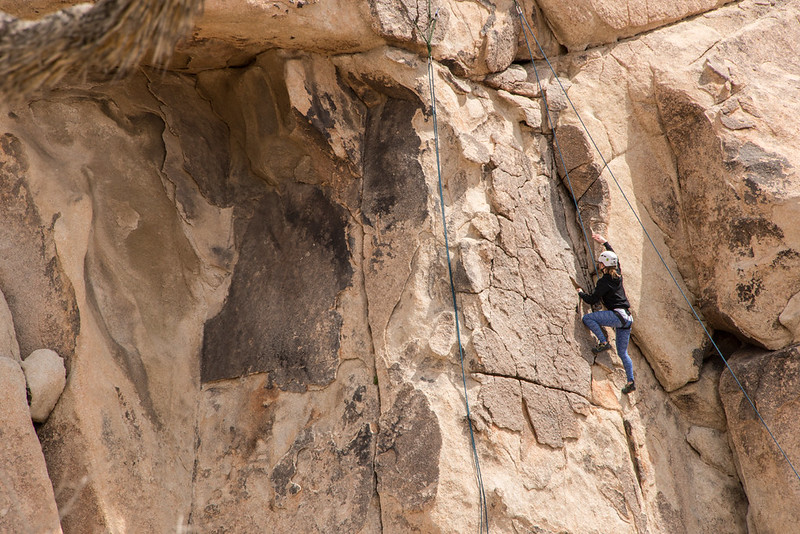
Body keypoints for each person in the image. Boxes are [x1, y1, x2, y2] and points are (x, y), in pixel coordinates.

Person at [577, 233, 636, 394]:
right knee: (623, 353)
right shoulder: (618, 275)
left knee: (588, 318)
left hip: (617, 316)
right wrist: (605, 243)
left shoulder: (604, 282)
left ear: (604, 265)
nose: (599, 265)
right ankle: (630, 381)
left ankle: (603, 342)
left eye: (601, 263)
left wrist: (580, 293)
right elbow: (615, 258)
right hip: (627, 318)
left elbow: (592, 300)